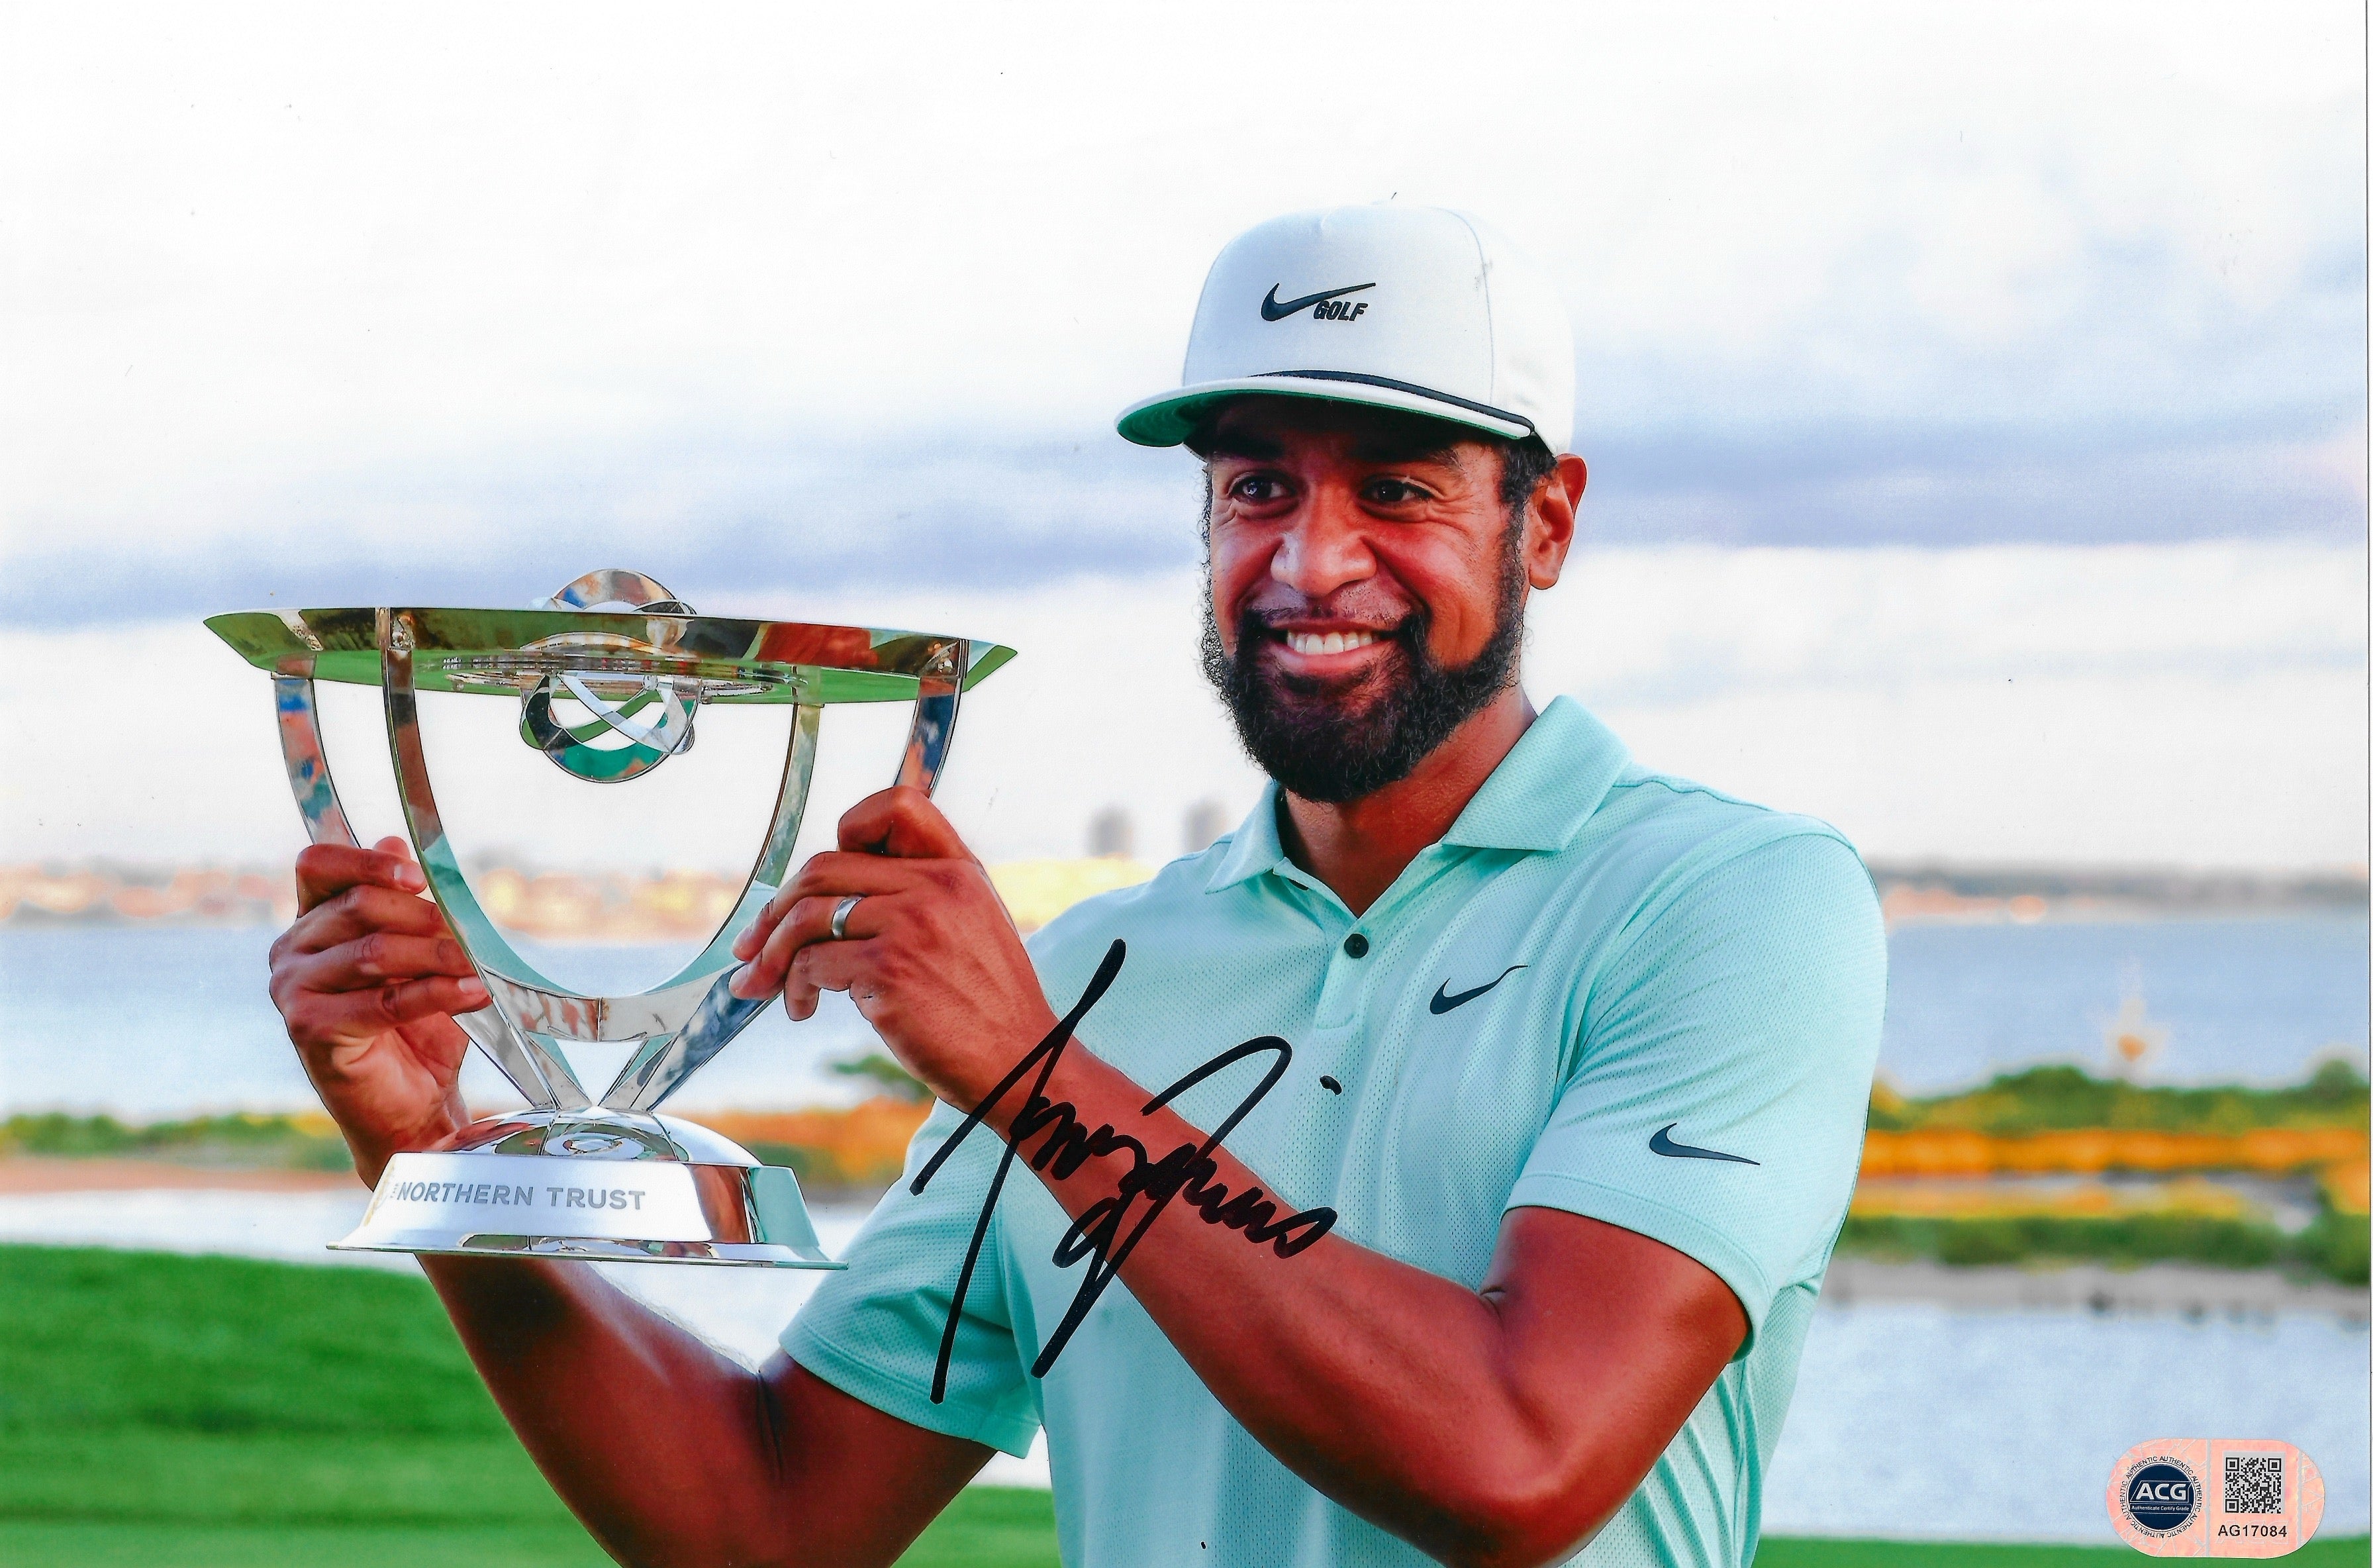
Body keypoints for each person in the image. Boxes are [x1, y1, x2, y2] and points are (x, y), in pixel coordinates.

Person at [267, 205, 1886, 1568]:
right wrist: (437, 1156)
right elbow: (760, 1511)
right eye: (1257, 486)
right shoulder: (1100, 968)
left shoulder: (1733, 901)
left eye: (1396, 487)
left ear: (1544, 523)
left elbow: (1520, 1457)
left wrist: (1034, 1076)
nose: (1310, 560)